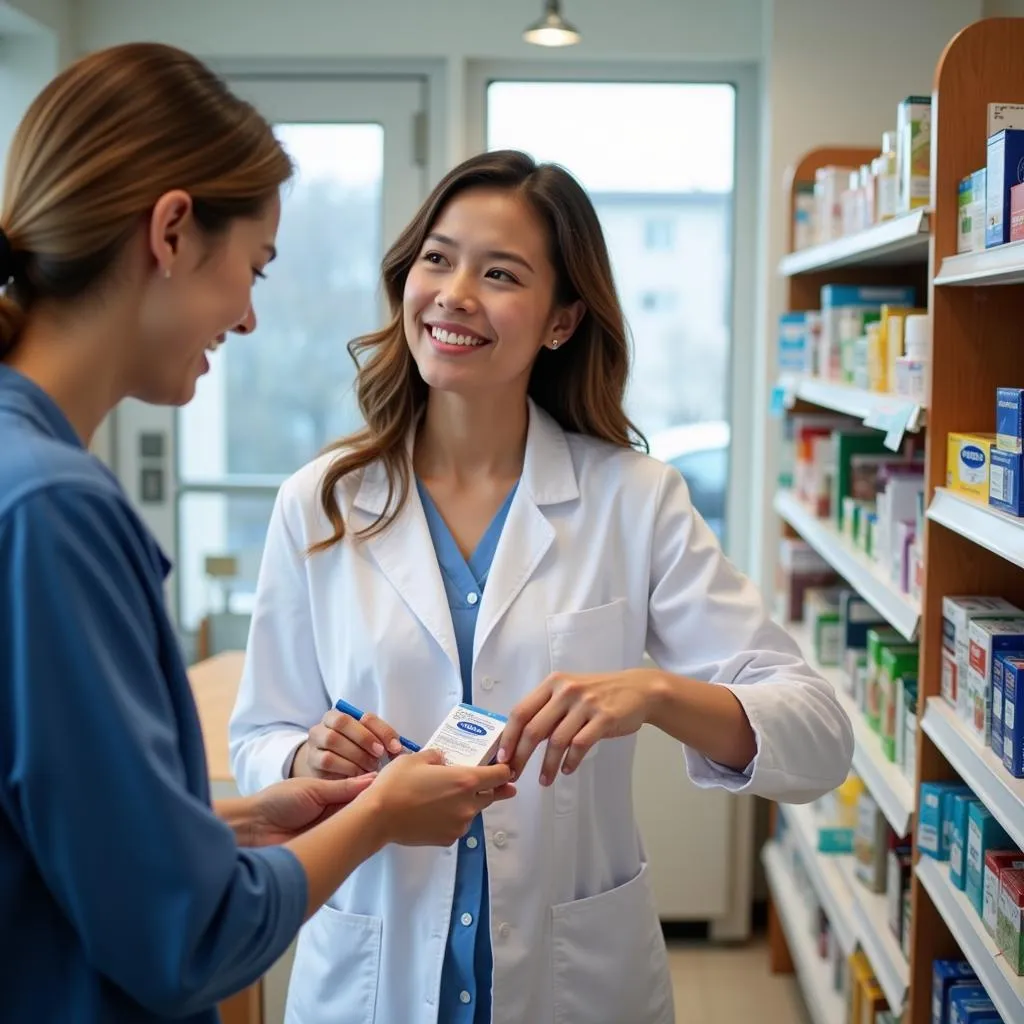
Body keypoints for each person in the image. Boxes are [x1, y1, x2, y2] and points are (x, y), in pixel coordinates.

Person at [229, 149, 855, 1024]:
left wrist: (655, 692)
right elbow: (260, 730)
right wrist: (304, 756)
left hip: (575, 981)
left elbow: (820, 736)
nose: (453, 293)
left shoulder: (634, 499)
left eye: (500, 274)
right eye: (437, 259)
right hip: (373, 974)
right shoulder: (322, 502)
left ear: (561, 319)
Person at [0, 44, 516, 1024]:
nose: (245, 317)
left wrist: (240, 820)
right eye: (254, 268)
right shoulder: (51, 511)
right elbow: (189, 935)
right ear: (172, 231)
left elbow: (64, 834)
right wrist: (374, 817)